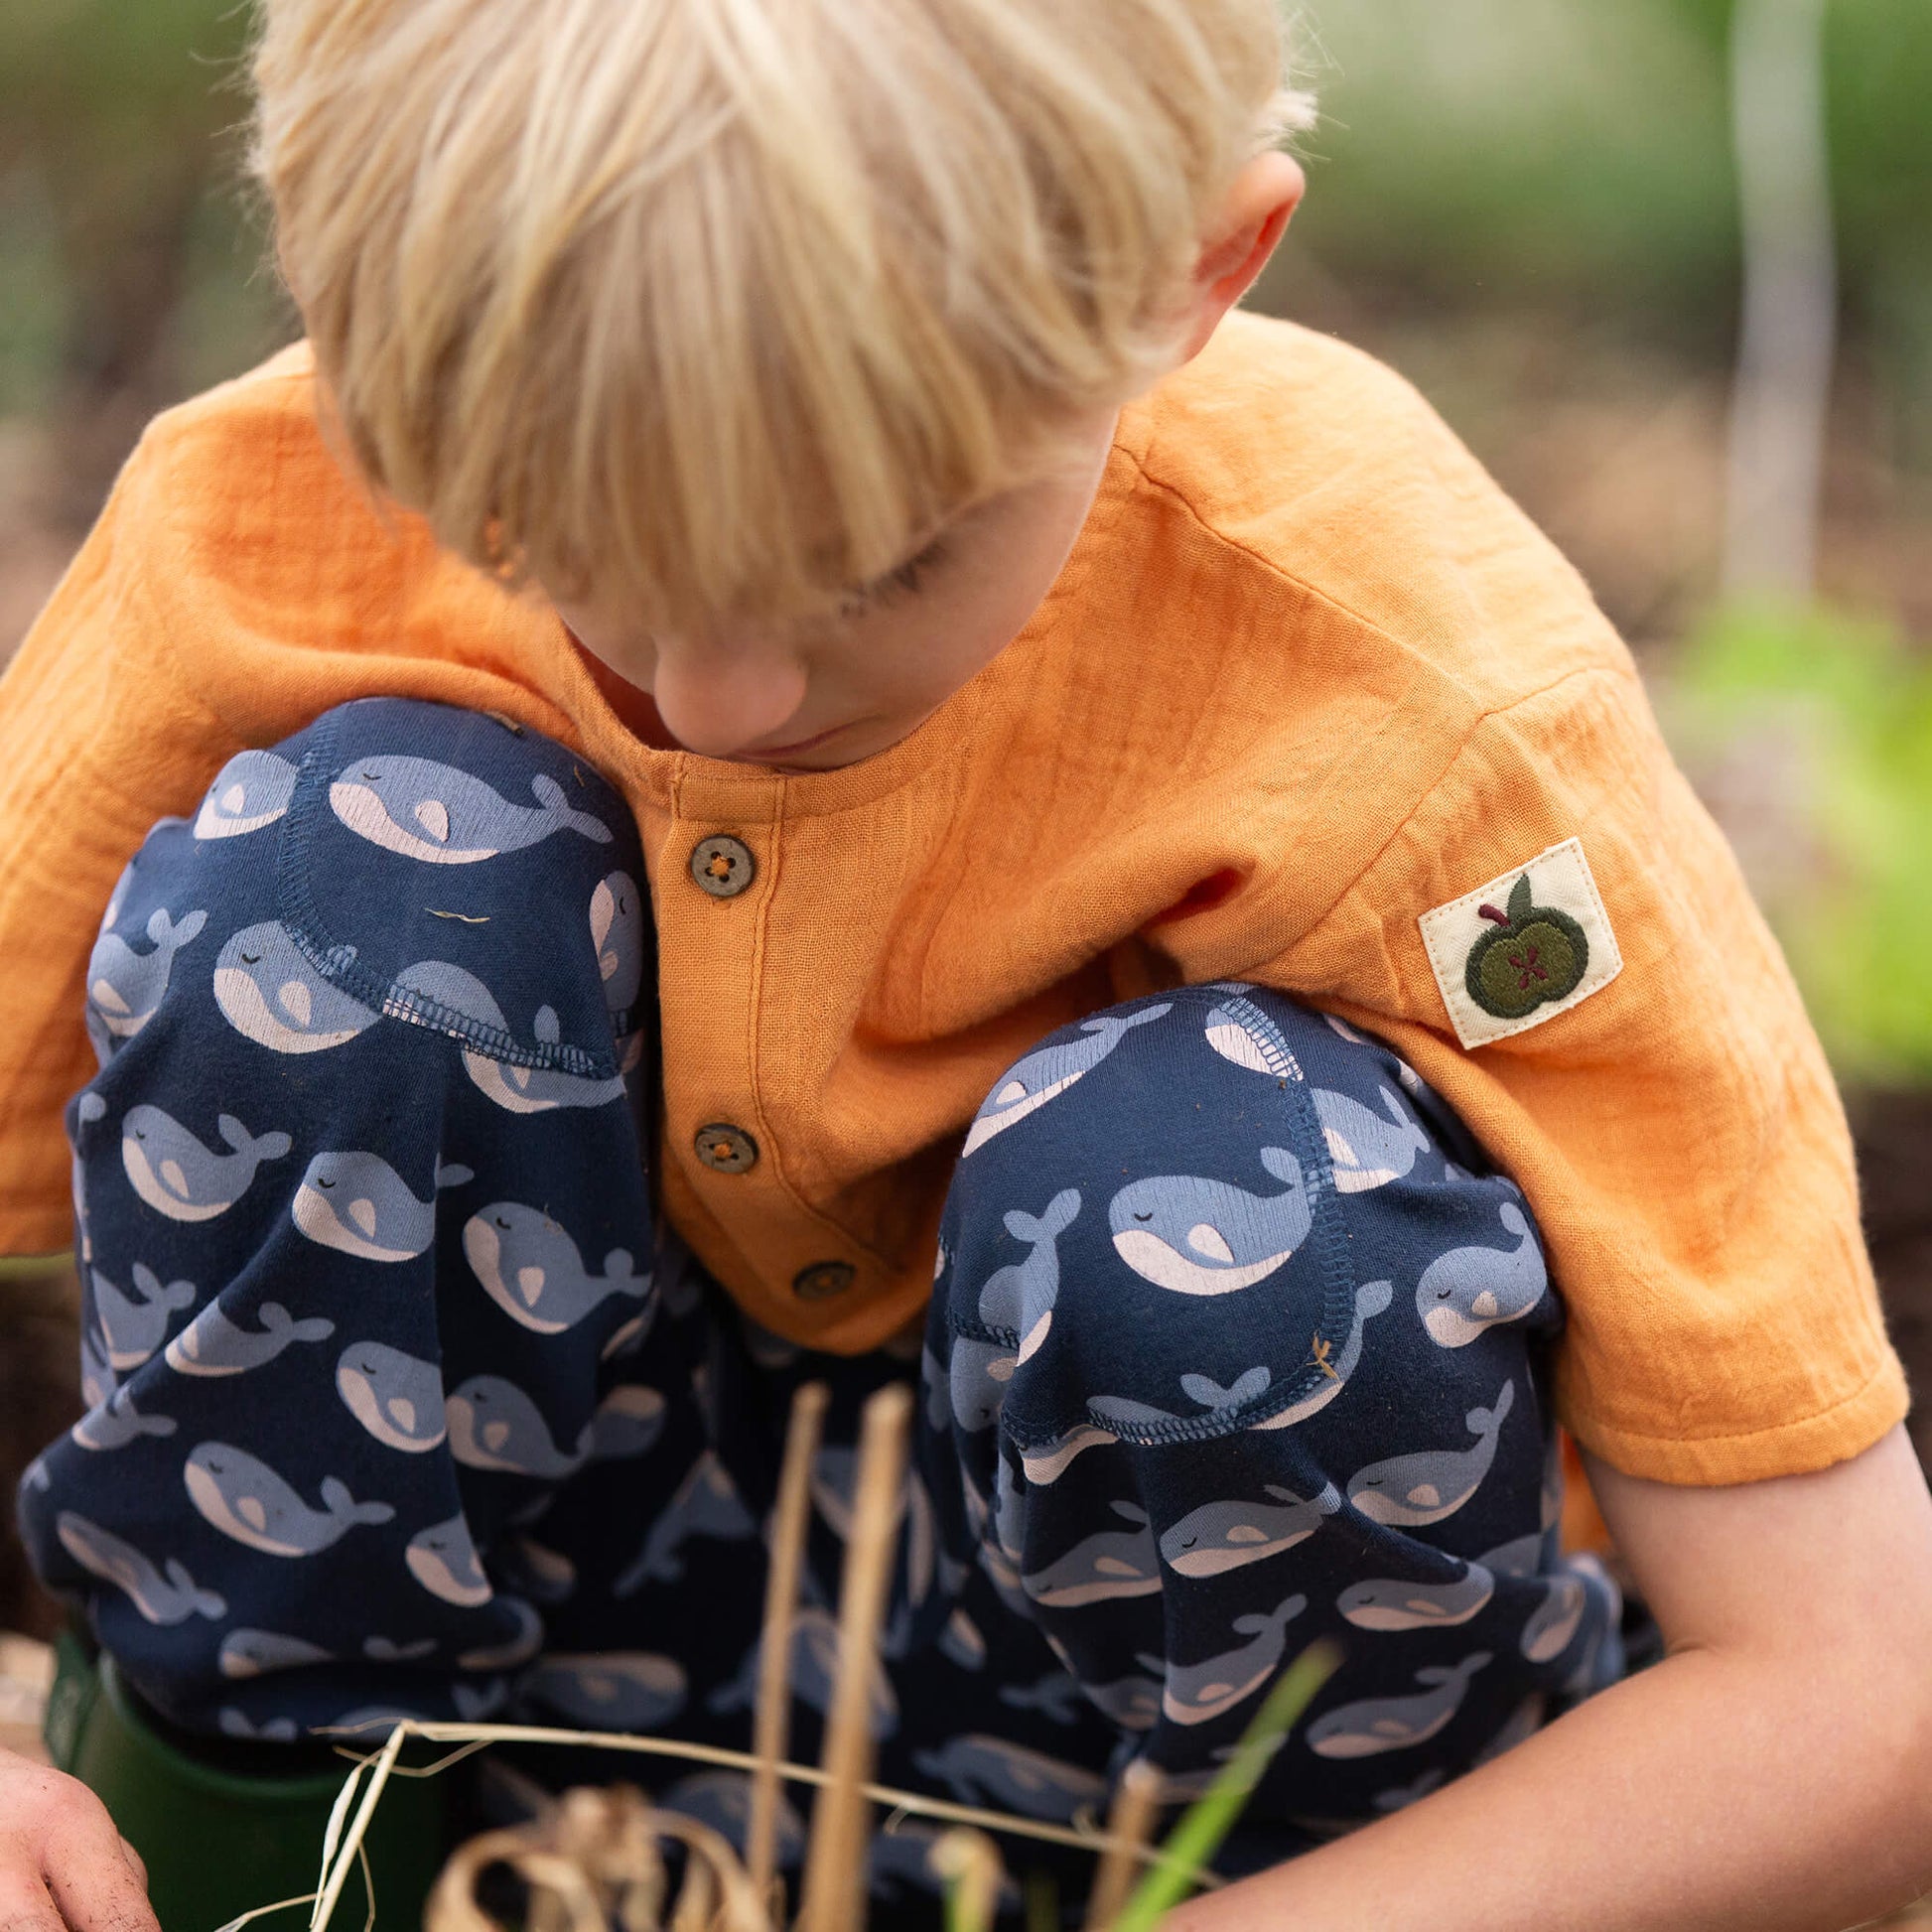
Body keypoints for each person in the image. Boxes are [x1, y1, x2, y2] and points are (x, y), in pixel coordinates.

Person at [2, 2, 1929, 1928]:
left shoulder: (1410, 691)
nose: (713, 692)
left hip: (1181, 1780)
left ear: (1197, 274)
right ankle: (259, 1852)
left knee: (1205, 1185)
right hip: (538, 1684)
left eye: (874, 567)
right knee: (366, 883)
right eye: (551, 532)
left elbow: (1860, 1697)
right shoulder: (271, 530)